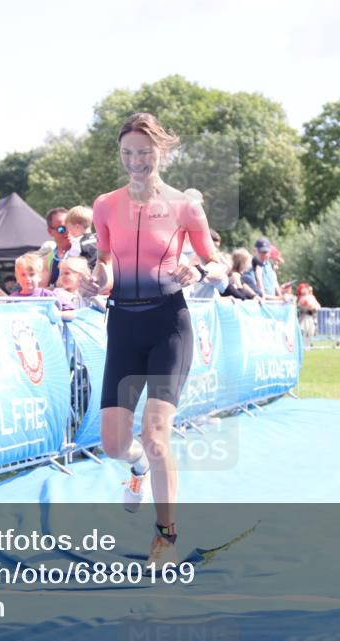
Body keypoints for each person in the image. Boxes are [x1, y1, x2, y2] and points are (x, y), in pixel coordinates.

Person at [80, 112, 226, 566]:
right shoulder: (105, 205)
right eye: (128, 153)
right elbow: (105, 266)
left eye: (144, 152)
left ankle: (166, 535)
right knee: (113, 443)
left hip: (169, 324)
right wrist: (93, 282)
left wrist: (200, 270)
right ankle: (138, 466)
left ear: (160, 152)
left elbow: (220, 266)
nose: (136, 161)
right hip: (123, 323)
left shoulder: (185, 206)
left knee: (157, 433)